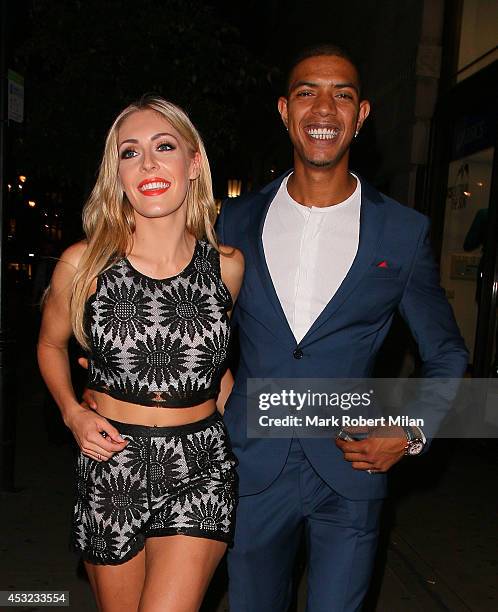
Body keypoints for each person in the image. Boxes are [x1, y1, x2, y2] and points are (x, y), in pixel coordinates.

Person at [216, 44, 468, 611]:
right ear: (284, 110)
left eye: (343, 95)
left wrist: (409, 429)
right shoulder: (232, 221)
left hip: (351, 469)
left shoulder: (402, 233)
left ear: (362, 115)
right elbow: (200, 331)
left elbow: (448, 352)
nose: (324, 109)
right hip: (252, 466)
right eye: (307, 92)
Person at [37, 95, 244, 612]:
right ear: (117, 173)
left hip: (199, 464)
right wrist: (72, 413)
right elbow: (49, 344)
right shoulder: (83, 264)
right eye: (130, 153)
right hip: (111, 462)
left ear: (193, 164)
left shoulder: (227, 267)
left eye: (164, 146)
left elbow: (212, 354)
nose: (148, 163)